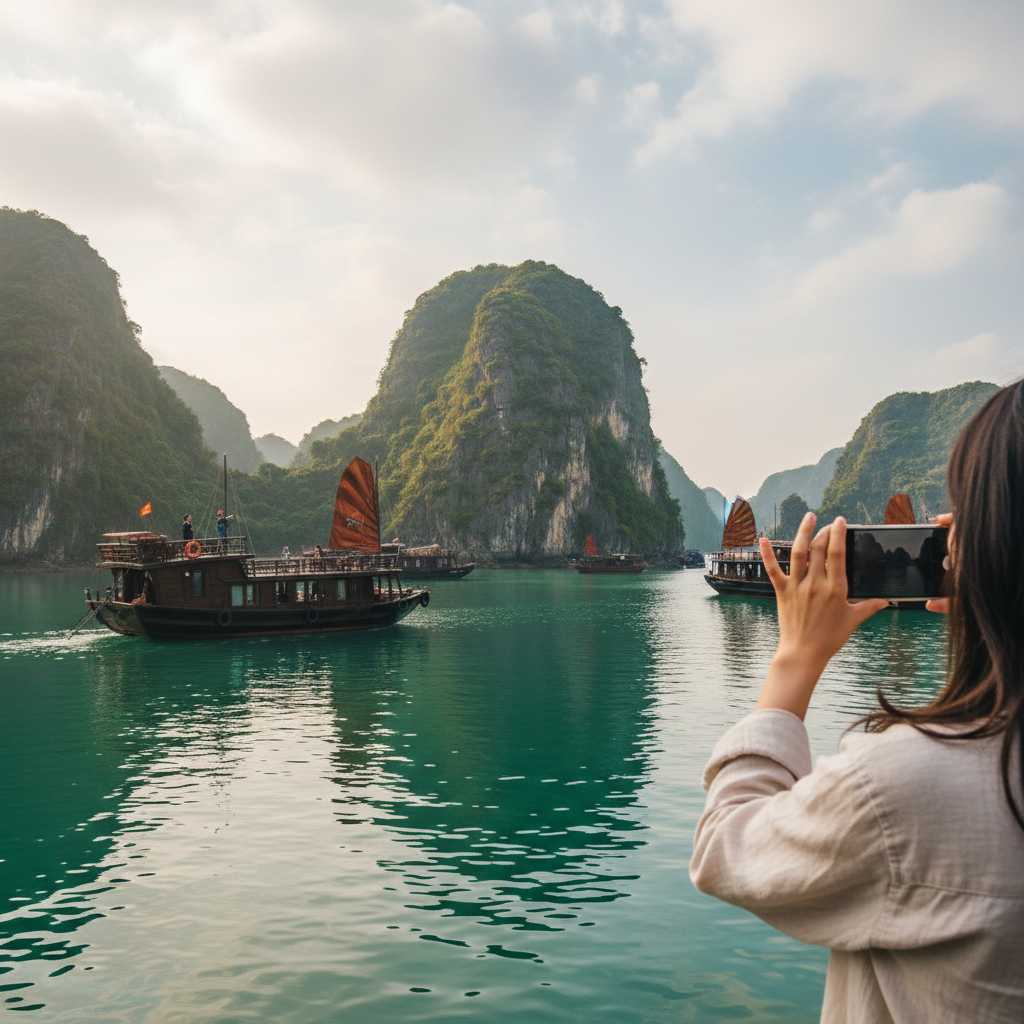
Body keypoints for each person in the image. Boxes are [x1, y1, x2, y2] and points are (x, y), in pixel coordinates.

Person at [690, 381, 1024, 1024]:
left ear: (986, 542)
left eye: (969, 508)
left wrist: (794, 659)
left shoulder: (907, 787)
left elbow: (725, 850)